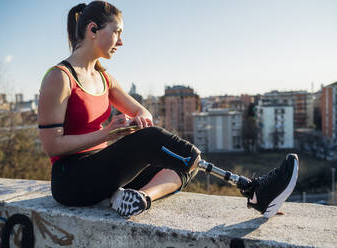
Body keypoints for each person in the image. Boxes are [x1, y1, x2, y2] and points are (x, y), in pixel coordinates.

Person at [38, 1, 299, 219]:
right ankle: (253, 189)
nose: (121, 42)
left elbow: (143, 113)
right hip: (71, 181)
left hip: (103, 176)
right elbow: (52, 146)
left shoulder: (104, 77)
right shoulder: (60, 78)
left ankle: (139, 199)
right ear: (93, 29)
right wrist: (107, 134)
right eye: (117, 32)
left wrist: (138, 118)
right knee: (176, 151)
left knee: (183, 167)